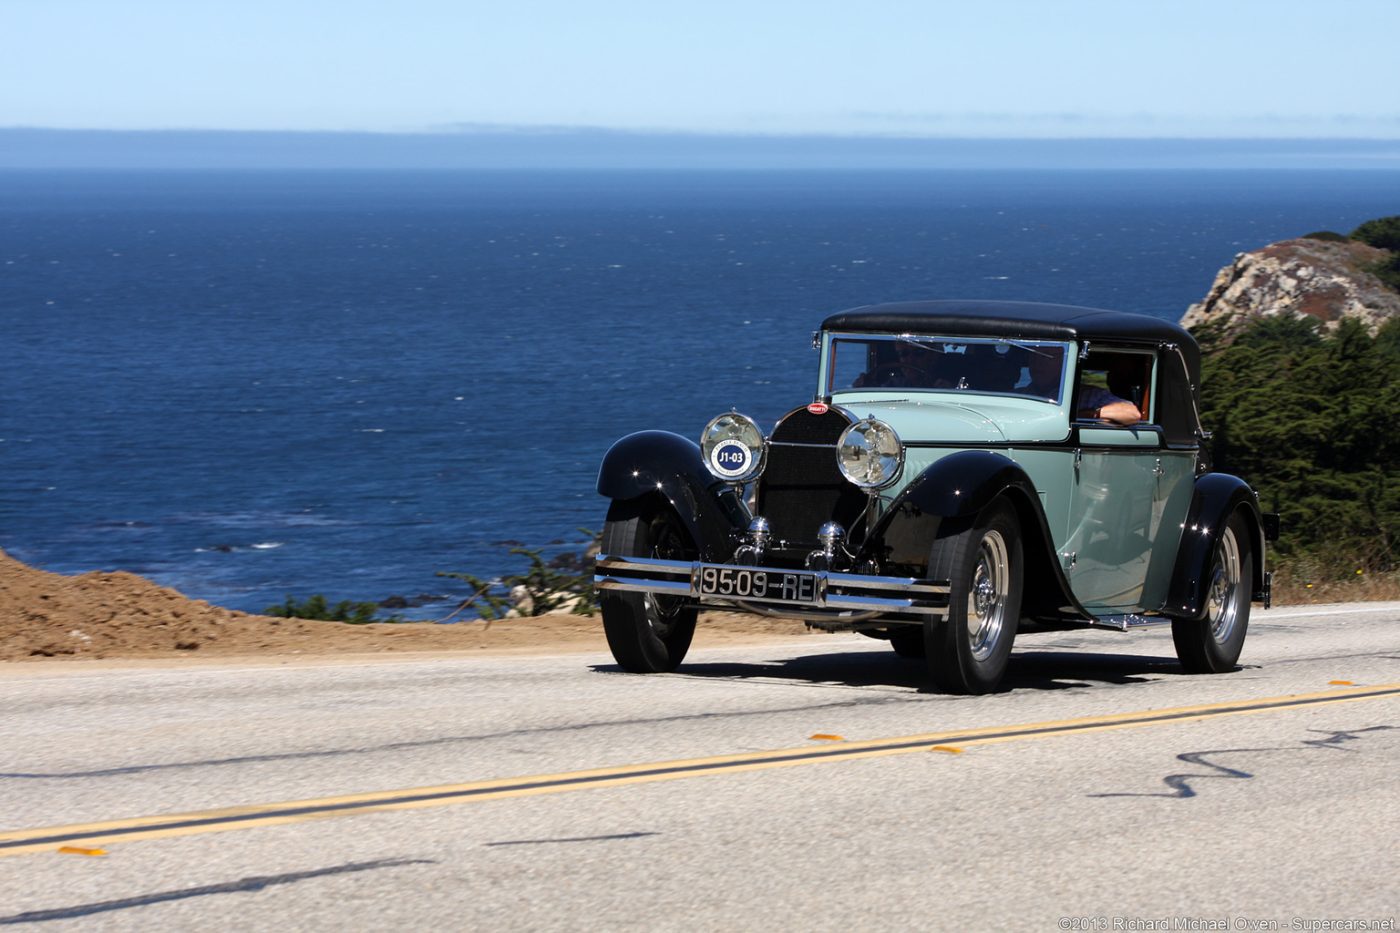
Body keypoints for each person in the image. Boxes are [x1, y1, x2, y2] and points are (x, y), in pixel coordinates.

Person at [1024, 347, 1141, 424]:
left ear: (1062, 362)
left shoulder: (1091, 395)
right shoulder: (1021, 394)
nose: (1037, 363)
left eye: (1045, 357)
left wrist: (1087, 415)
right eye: (1033, 357)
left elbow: (1132, 413)